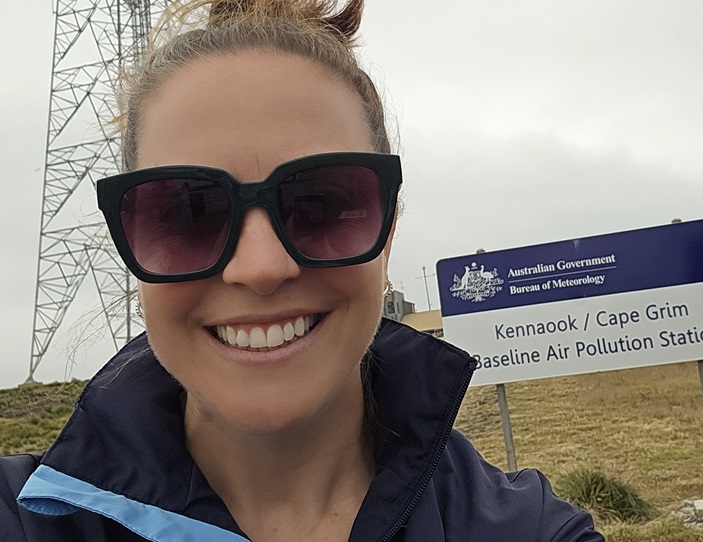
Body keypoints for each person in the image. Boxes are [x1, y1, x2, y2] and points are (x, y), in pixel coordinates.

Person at [0, 1, 605, 540]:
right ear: (132, 238)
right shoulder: (22, 518)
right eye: (189, 211)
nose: (260, 267)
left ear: (387, 230)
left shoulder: (528, 530)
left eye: (320, 204)